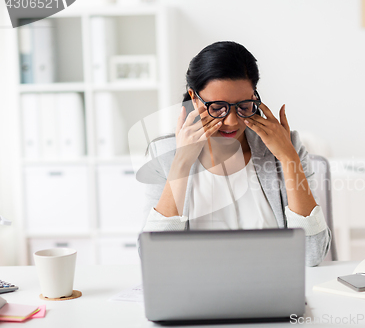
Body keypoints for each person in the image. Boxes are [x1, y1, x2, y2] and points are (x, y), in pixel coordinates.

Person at [141, 41, 331, 266]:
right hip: (198, 292)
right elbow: (155, 260)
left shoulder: (286, 147)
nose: (231, 121)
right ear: (194, 97)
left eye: (244, 106)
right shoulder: (162, 154)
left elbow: (313, 255)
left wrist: (289, 159)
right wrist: (181, 162)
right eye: (217, 107)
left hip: (270, 288)